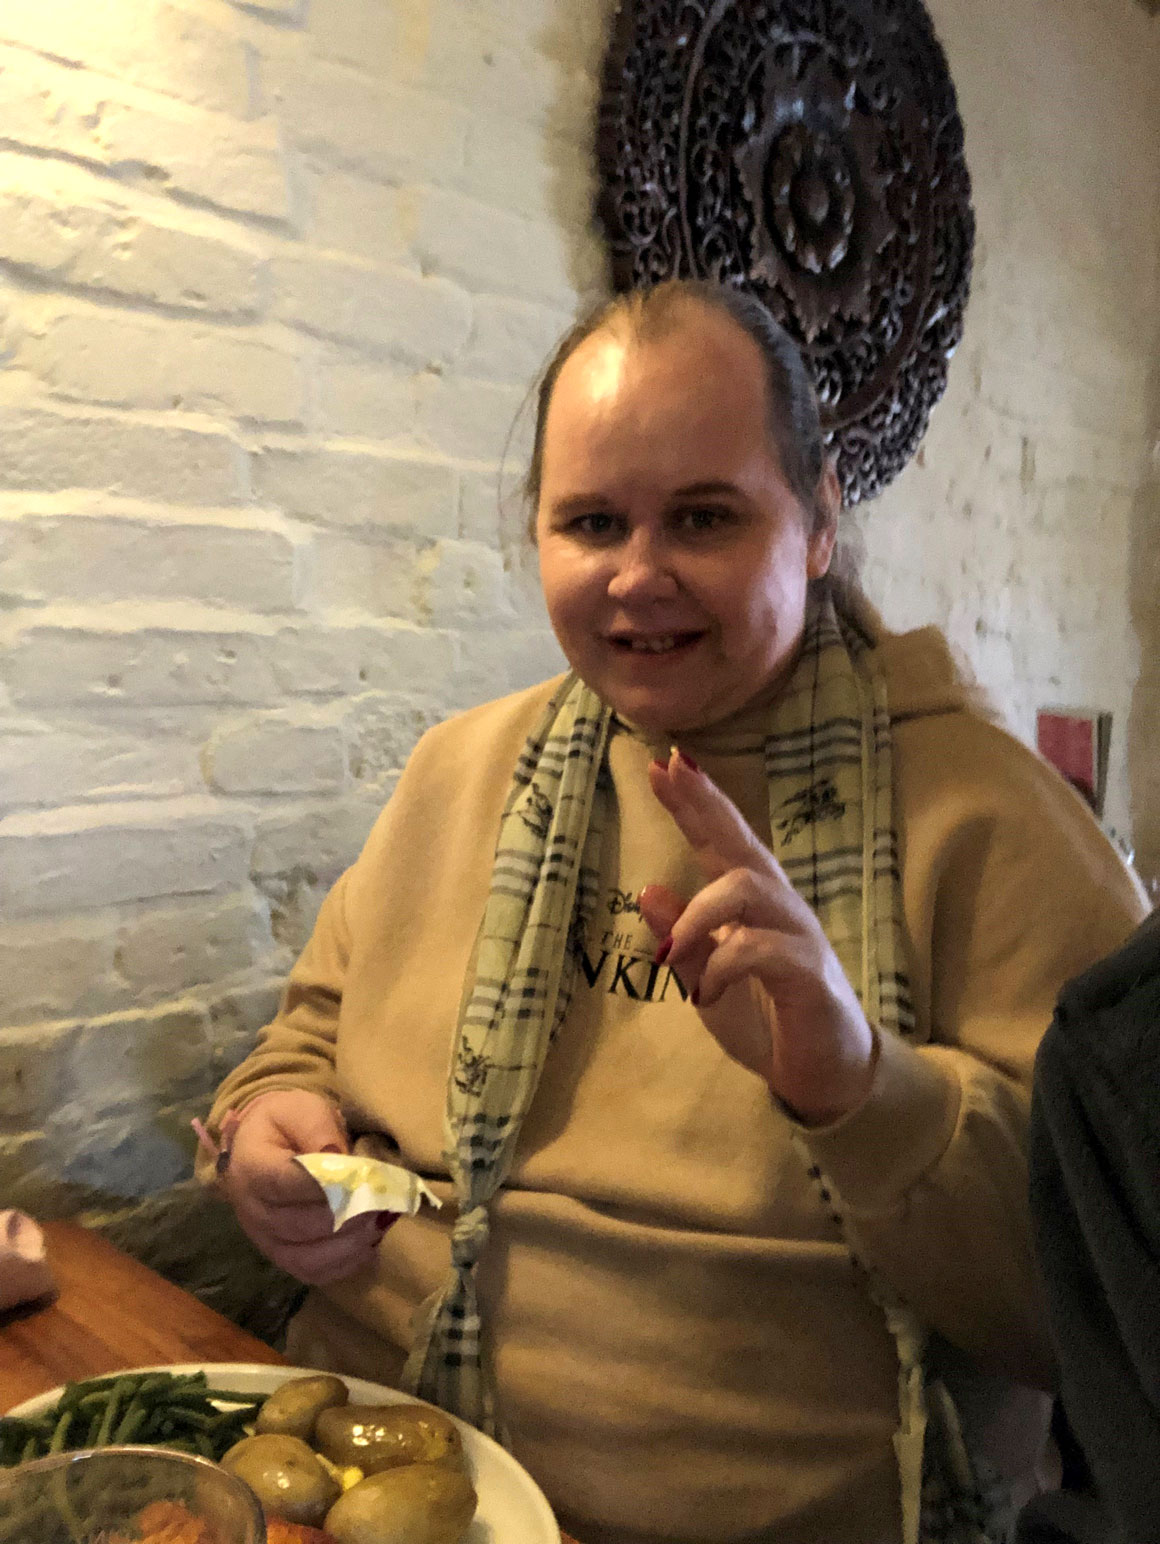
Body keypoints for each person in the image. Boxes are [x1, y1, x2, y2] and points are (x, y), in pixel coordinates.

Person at [199, 280, 1147, 1544]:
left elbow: (1096, 1317)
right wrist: (266, 1126)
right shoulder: (457, 769)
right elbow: (304, 1040)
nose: (637, 576)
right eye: (592, 521)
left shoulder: (999, 826)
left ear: (817, 522)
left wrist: (858, 1088)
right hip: (358, 1484)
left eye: (703, 517)